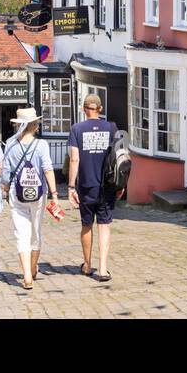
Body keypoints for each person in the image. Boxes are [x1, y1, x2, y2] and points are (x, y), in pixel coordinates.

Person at [0, 107, 60, 290]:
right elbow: (48, 170)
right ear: (34, 124)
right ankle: (33, 268)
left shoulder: (10, 145)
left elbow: (5, 175)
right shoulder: (41, 145)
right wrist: (55, 195)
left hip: (17, 194)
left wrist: (5, 190)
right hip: (38, 194)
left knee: (21, 234)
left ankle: (27, 276)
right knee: (36, 231)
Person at [67, 94, 117, 281]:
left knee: (86, 225)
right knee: (104, 226)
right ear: (100, 109)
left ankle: (87, 265)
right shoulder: (111, 128)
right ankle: (103, 269)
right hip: (107, 186)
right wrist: (121, 185)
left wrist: (71, 187)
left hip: (86, 186)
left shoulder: (77, 129)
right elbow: (118, 158)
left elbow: (74, 159)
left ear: (83, 109)